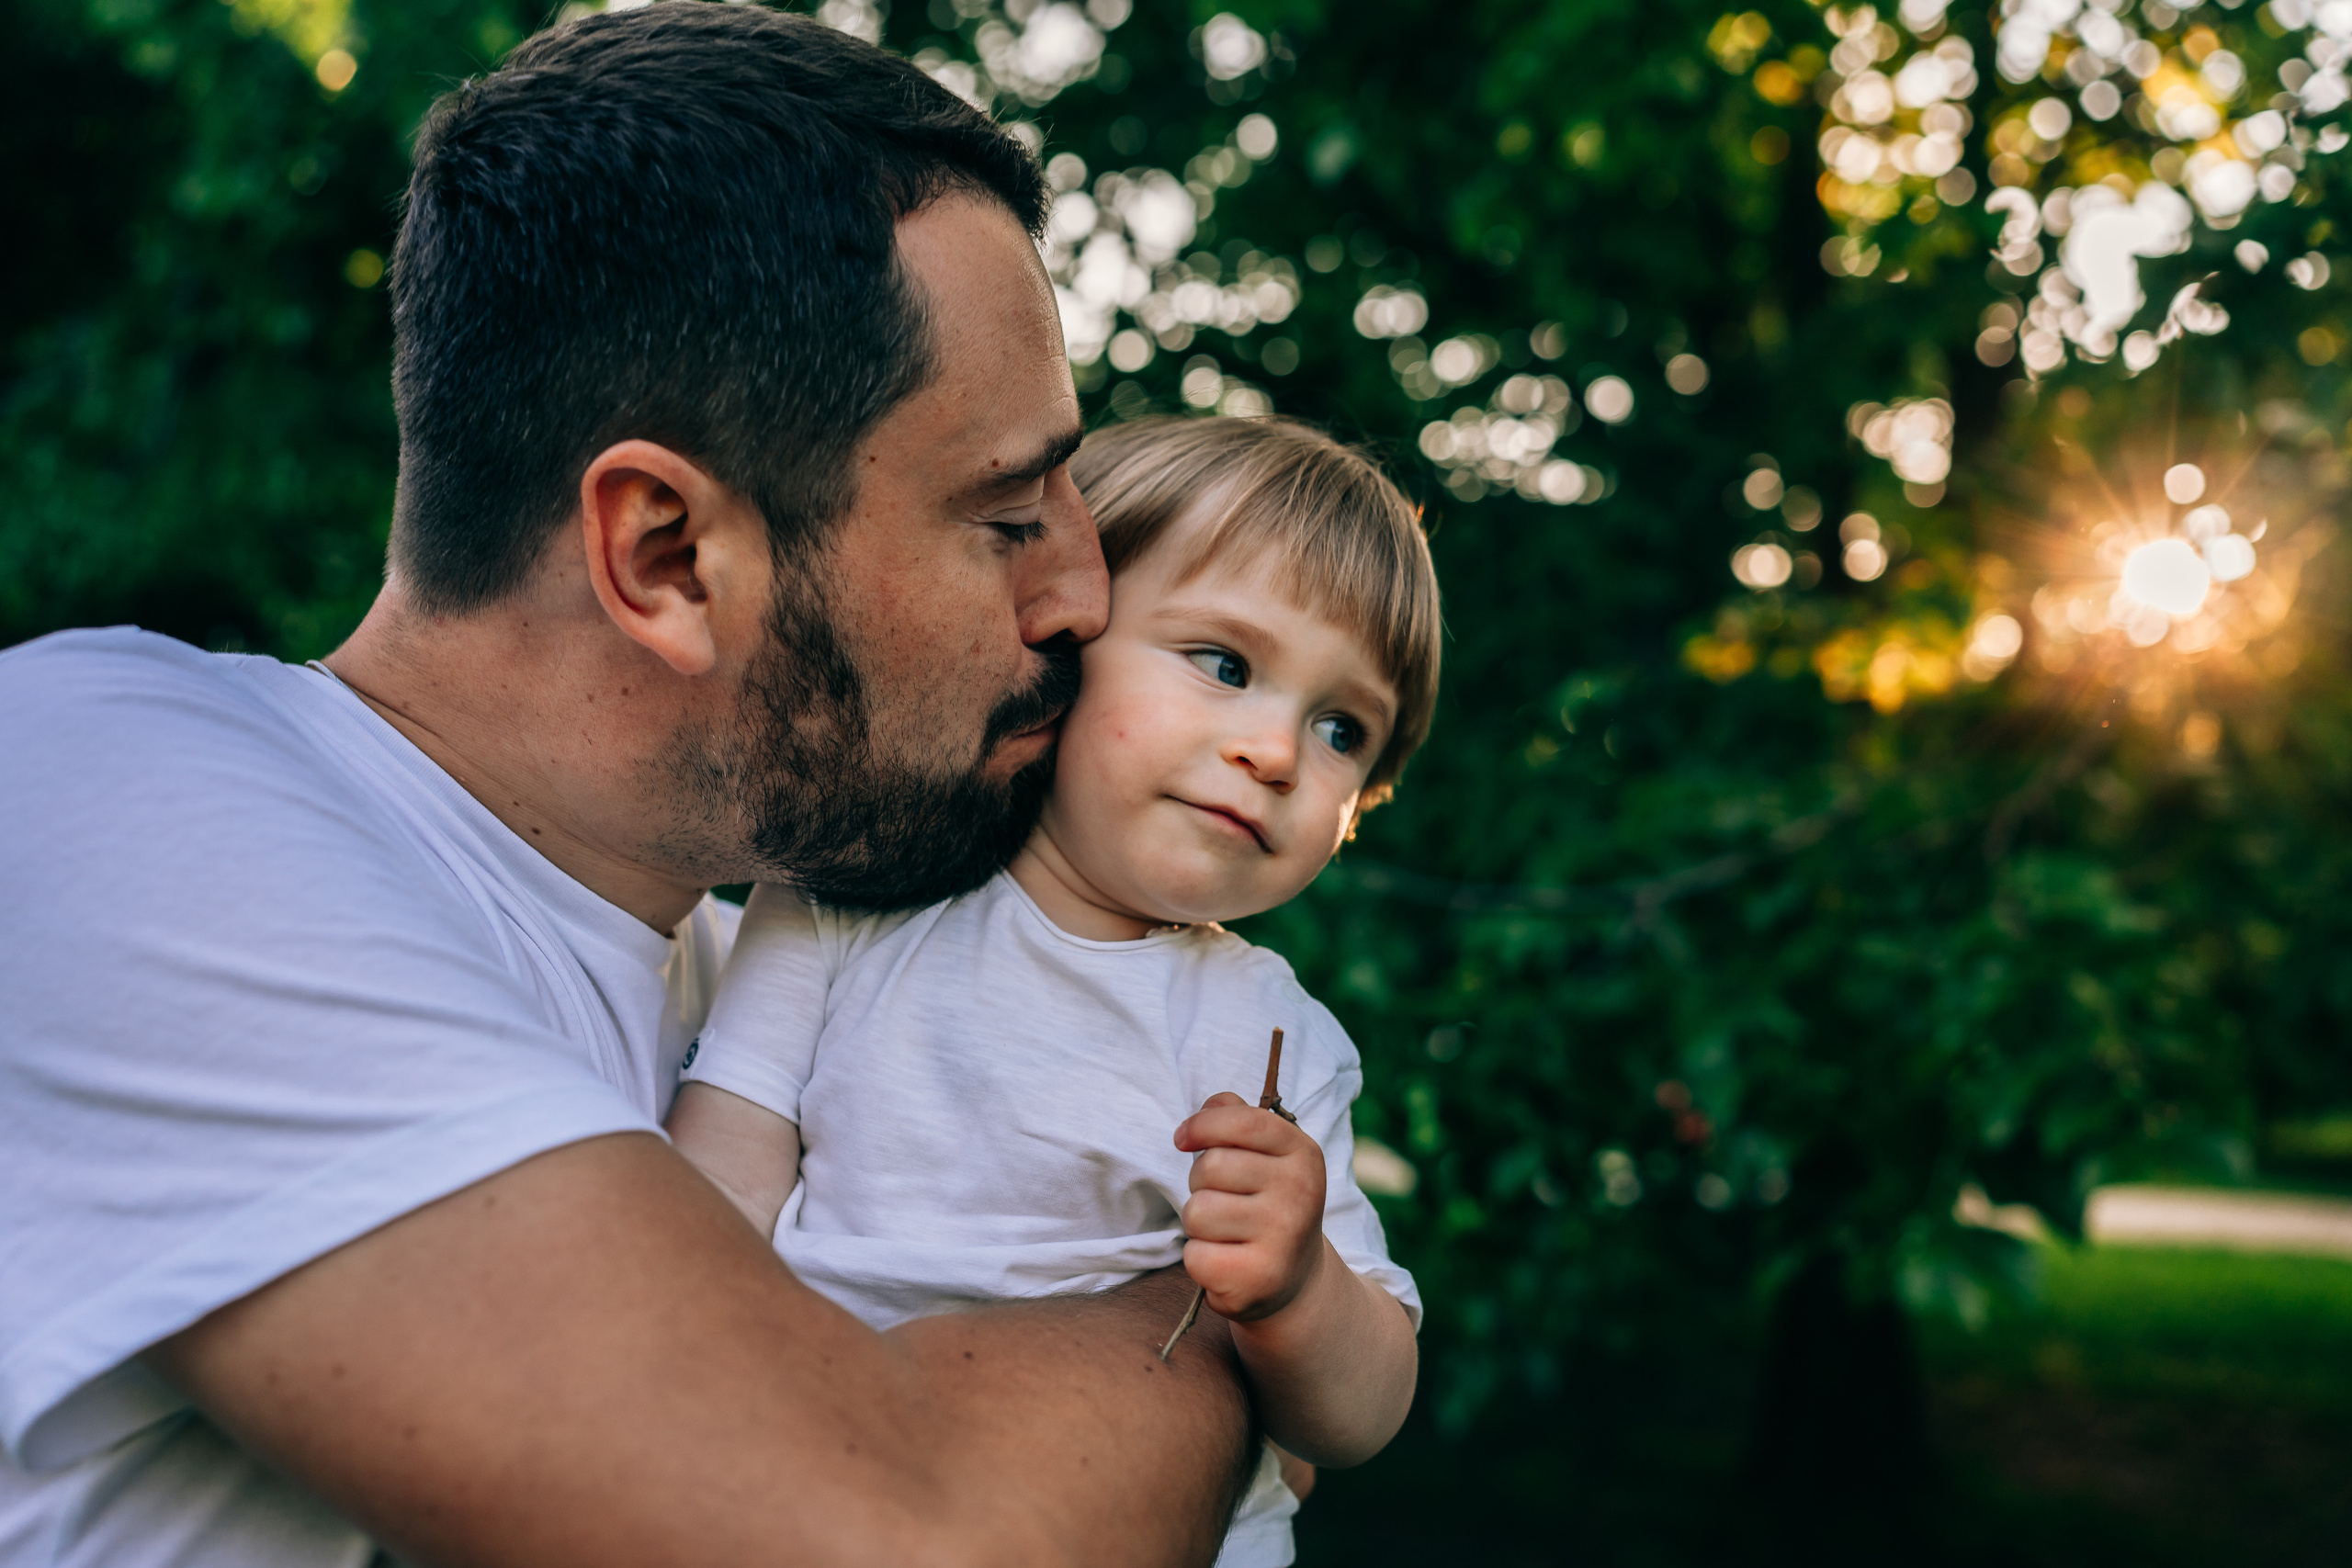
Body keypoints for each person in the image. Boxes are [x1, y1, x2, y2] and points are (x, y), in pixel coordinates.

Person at [0, 7, 1261, 1564]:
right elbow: (899, 1539)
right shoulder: (96, 782)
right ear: (665, 555)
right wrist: (1239, 1322)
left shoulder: (774, 1016)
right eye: (1006, 515)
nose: (1086, 592)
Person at [667, 414, 1439, 1568]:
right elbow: (716, 1187)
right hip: (826, 1470)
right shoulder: (845, 898)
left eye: (1342, 729)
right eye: (1225, 665)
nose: (1277, 753)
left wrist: (1296, 1293)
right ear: (1061, 635)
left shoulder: (1271, 1034)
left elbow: (1357, 1418)